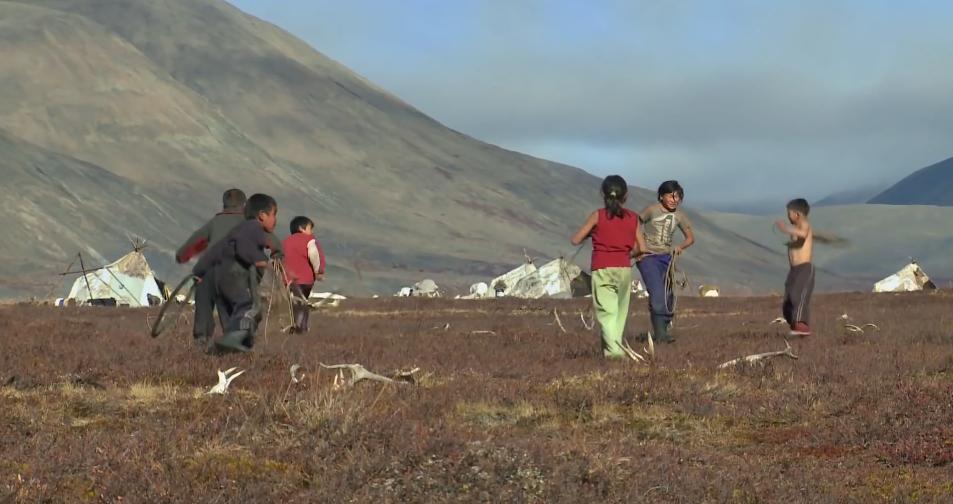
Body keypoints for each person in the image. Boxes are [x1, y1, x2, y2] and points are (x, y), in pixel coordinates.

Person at [176, 189, 283, 350]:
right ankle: (235, 344)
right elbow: (275, 246)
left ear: (224, 204)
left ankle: (202, 341)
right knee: (239, 311)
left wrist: (184, 259)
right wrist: (276, 257)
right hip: (237, 277)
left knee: (204, 308)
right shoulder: (251, 224)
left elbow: (189, 248)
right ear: (245, 205)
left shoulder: (214, 223)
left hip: (209, 275)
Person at [571, 175, 644, 358]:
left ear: (602, 194)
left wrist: (592, 232)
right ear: (626, 195)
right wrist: (627, 254)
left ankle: (614, 355)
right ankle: (612, 353)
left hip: (602, 268)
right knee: (619, 314)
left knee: (606, 314)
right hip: (624, 269)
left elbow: (575, 240)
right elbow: (642, 248)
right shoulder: (633, 218)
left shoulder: (598, 215)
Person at [636, 180, 694, 344]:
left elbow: (690, 238)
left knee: (668, 296)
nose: (675, 200)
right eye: (671, 196)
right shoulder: (651, 210)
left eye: (678, 197)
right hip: (647, 257)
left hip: (667, 258)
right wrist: (639, 248)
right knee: (657, 293)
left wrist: (679, 247)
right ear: (661, 196)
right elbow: (634, 225)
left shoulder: (680, 216)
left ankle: (660, 332)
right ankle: (661, 336)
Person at [775, 198, 814, 337]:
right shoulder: (795, 229)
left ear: (797, 214)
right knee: (787, 301)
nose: (787, 216)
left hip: (804, 268)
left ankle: (802, 325)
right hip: (793, 270)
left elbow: (803, 234)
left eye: (789, 213)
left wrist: (785, 228)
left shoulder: (804, 225)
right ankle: (795, 326)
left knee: (797, 295)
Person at [282, 216, 326, 333]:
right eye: (310, 228)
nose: (312, 232)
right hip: (306, 279)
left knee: (294, 304)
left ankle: (293, 326)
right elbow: (313, 254)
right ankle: (302, 328)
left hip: (289, 280)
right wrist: (317, 271)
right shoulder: (309, 240)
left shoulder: (285, 242)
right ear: (302, 228)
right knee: (303, 303)